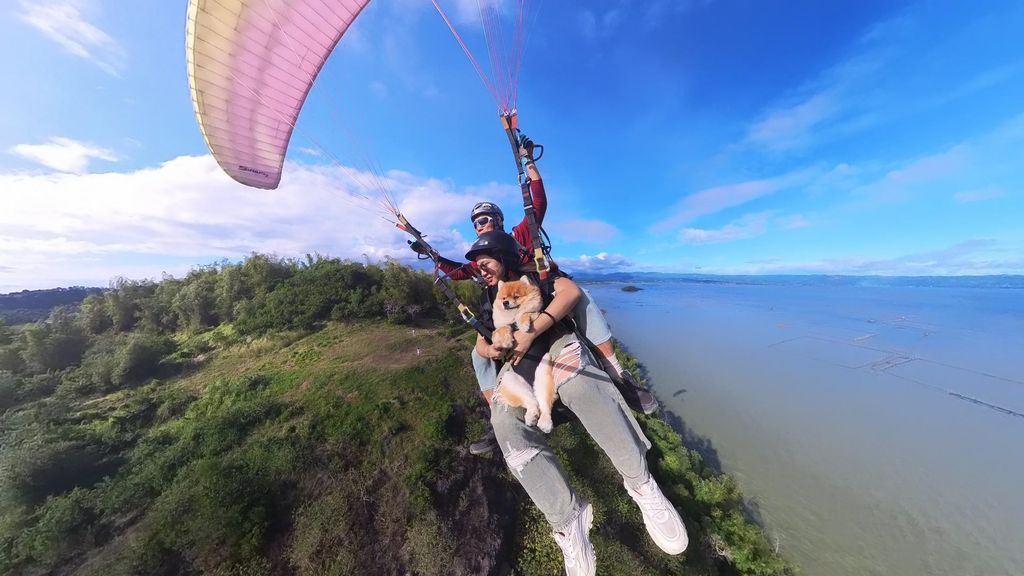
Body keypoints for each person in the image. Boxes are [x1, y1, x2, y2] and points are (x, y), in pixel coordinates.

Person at [411, 135, 657, 455]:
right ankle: (496, 415)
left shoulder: (519, 236)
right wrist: (430, 254)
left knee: (580, 298)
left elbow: (537, 204)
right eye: (476, 223)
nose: (481, 226)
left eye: (486, 220)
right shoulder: (482, 260)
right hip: (509, 312)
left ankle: (618, 376)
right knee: (478, 354)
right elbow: (458, 272)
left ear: (498, 221)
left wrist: (529, 162)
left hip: (537, 294)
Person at [466, 231, 688, 575]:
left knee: (580, 386)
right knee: (506, 425)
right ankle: (569, 521)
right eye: (476, 266)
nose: (480, 270)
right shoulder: (487, 298)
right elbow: (480, 344)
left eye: (485, 262)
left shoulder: (536, 273)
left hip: (554, 343)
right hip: (516, 362)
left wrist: (533, 330)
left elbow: (570, 292)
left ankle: (640, 482)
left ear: (504, 256)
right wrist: (491, 349)